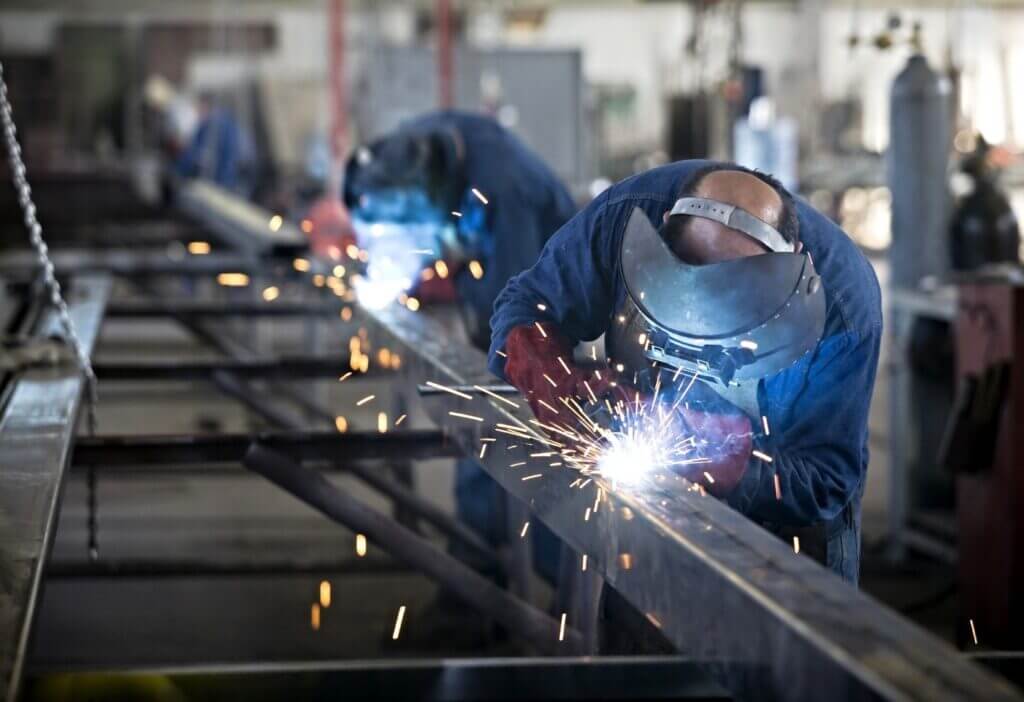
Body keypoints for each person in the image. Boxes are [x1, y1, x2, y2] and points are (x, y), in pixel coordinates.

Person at [489, 160, 882, 585]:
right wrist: (561, 390)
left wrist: (716, 458)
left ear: (795, 264)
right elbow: (526, 305)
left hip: (787, 544)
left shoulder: (844, 308)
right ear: (663, 232)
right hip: (641, 516)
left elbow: (825, 479)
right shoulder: (623, 219)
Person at [344, 110, 577, 582]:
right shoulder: (418, 144)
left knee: (501, 428)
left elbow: (518, 319)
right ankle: (480, 571)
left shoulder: (505, 195)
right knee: (483, 429)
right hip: (497, 287)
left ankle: (509, 588)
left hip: (553, 317)